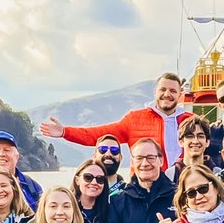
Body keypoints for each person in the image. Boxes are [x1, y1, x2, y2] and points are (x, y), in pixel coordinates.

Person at [41, 72, 195, 170]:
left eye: (173, 91)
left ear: (180, 93)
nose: (167, 94)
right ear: (155, 92)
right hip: (144, 187)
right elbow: (98, 135)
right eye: (163, 90)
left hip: (185, 185)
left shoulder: (191, 121)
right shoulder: (135, 119)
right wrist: (65, 132)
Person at [71, 156, 112, 223]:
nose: (94, 182)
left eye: (100, 179)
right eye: (88, 177)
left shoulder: (111, 213)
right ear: (77, 180)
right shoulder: (67, 209)